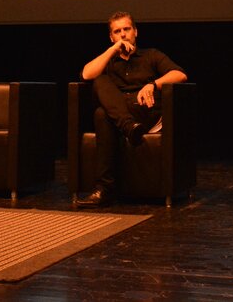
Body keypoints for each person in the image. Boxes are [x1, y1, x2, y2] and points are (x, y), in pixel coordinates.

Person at [73, 11, 187, 207]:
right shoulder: (108, 61)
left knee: (103, 113)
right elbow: (86, 74)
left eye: (127, 29)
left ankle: (105, 188)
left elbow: (180, 74)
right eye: (117, 31)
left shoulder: (151, 55)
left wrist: (153, 84)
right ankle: (106, 186)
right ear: (111, 37)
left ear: (136, 31)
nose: (123, 34)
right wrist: (112, 50)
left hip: (146, 112)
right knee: (100, 91)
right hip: (123, 118)